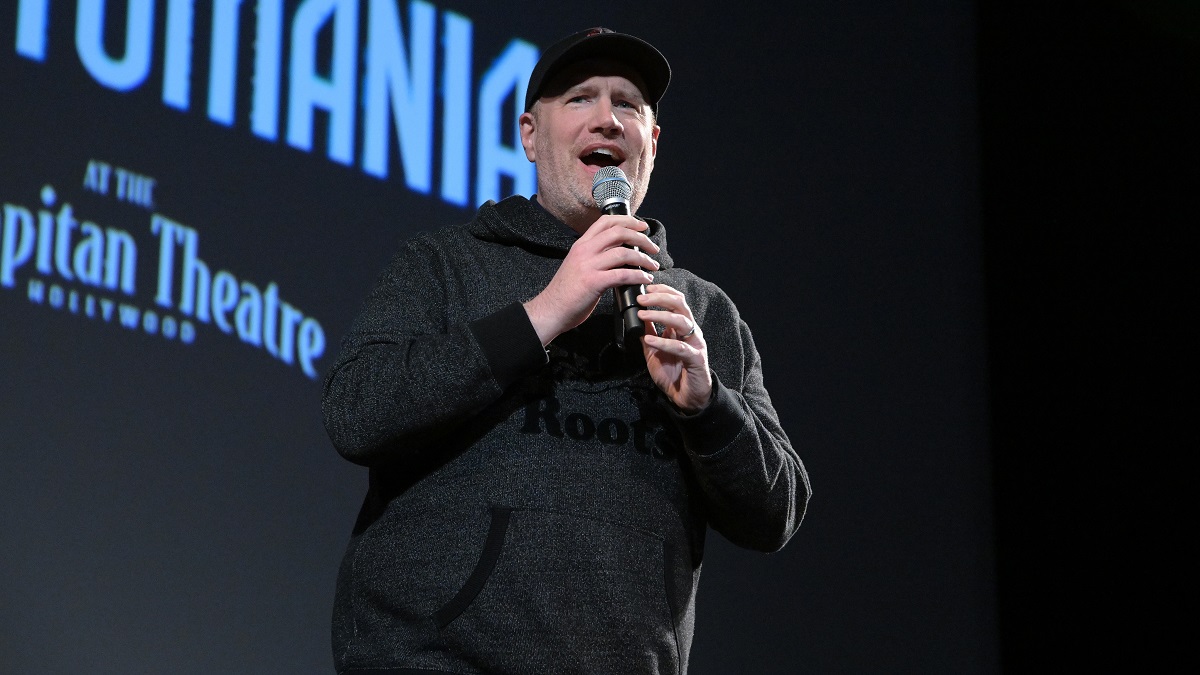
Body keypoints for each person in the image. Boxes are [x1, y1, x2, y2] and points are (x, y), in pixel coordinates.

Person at [321, 27, 810, 675]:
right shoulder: (445, 264)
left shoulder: (704, 312)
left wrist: (707, 405)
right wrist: (544, 313)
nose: (606, 118)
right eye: (579, 99)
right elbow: (358, 411)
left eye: (627, 105)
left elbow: (776, 510)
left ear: (652, 144)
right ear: (530, 134)